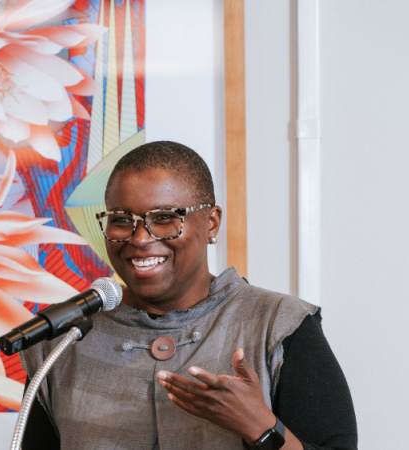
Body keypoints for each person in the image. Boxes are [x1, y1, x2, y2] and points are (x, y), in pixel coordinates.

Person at [20, 141, 357, 450]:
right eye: (122, 220)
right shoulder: (63, 340)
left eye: (165, 218)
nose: (139, 238)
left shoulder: (278, 323)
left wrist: (261, 427)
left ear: (211, 223)